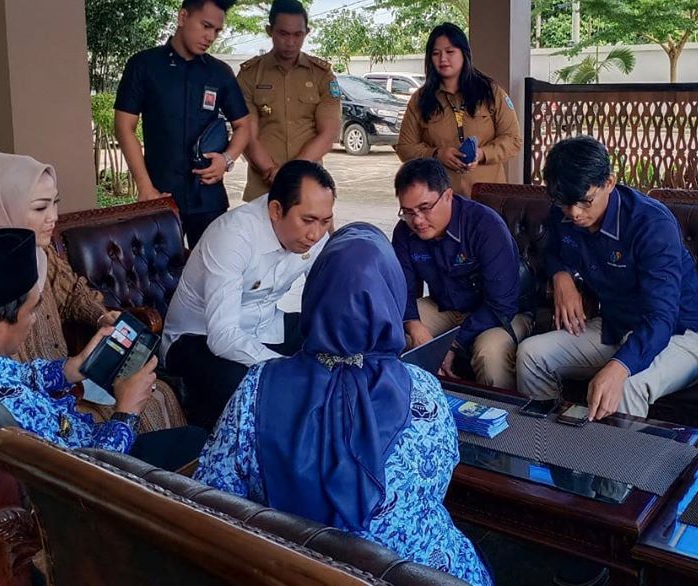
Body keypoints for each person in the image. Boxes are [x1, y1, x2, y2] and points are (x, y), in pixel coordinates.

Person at [194, 223, 493, 586]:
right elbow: (436, 486)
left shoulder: (257, 387)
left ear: (315, 293)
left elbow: (213, 495)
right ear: (392, 295)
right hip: (418, 575)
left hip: (288, 572)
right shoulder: (423, 391)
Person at [0, 150, 185, 431]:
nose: (53, 217)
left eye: (55, 202)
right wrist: (124, 413)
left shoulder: (40, 256)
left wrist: (100, 318)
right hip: (32, 416)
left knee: (158, 393)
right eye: (40, 207)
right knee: (144, 408)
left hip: (61, 380)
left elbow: (74, 293)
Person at [0, 228, 205, 471]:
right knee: (196, 444)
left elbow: (13, 375)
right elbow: (83, 475)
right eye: (32, 310)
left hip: (66, 454)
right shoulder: (9, 407)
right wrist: (127, 411)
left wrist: (72, 367)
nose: (34, 320)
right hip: (95, 475)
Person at [517, 136, 698, 420]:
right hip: (616, 327)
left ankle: (616, 453)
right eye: (564, 203)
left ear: (610, 183)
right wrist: (561, 276)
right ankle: (543, 441)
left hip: (683, 335)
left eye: (585, 202)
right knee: (531, 355)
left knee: (625, 385)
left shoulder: (651, 224)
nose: (575, 213)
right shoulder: (563, 209)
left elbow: (661, 318)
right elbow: (553, 250)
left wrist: (620, 366)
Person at [162, 160, 335, 428]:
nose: (316, 234)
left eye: (325, 222)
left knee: (333, 344)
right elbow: (222, 336)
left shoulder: (315, 234)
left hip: (265, 325)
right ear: (276, 210)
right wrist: (287, 368)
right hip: (197, 337)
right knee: (251, 387)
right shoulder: (233, 236)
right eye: (307, 220)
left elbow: (327, 298)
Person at [114, 0, 251, 248]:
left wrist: (226, 160)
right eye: (205, 26)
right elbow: (124, 126)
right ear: (183, 16)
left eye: (217, 30)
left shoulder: (219, 72)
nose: (210, 36)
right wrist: (145, 187)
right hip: (161, 195)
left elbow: (244, 125)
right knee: (160, 272)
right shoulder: (144, 65)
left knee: (211, 268)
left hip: (208, 197)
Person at [392, 157, 529, 389]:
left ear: (447, 196)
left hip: (500, 312)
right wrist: (414, 325)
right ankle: (418, 403)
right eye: (407, 211)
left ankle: (498, 411)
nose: (417, 220)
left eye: (425, 208)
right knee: (394, 333)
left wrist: (454, 345)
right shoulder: (405, 232)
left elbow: (502, 303)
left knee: (489, 354)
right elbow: (400, 287)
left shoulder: (485, 226)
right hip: (445, 307)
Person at [396, 22, 521, 196]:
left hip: (487, 197)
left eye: (450, 52)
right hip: (440, 198)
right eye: (436, 53)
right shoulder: (421, 99)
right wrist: (436, 154)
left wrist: (482, 154)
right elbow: (405, 148)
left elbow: (513, 140)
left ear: (464, 53)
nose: (442, 59)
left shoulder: (491, 92)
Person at [236, 0, 341, 201]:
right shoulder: (250, 75)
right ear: (270, 31)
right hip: (263, 187)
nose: (291, 42)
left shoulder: (322, 75)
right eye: (283, 34)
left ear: (307, 32)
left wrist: (292, 173)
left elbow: (329, 133)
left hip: (308, 187)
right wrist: (270, 170)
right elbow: (246, 133)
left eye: (298, 35)